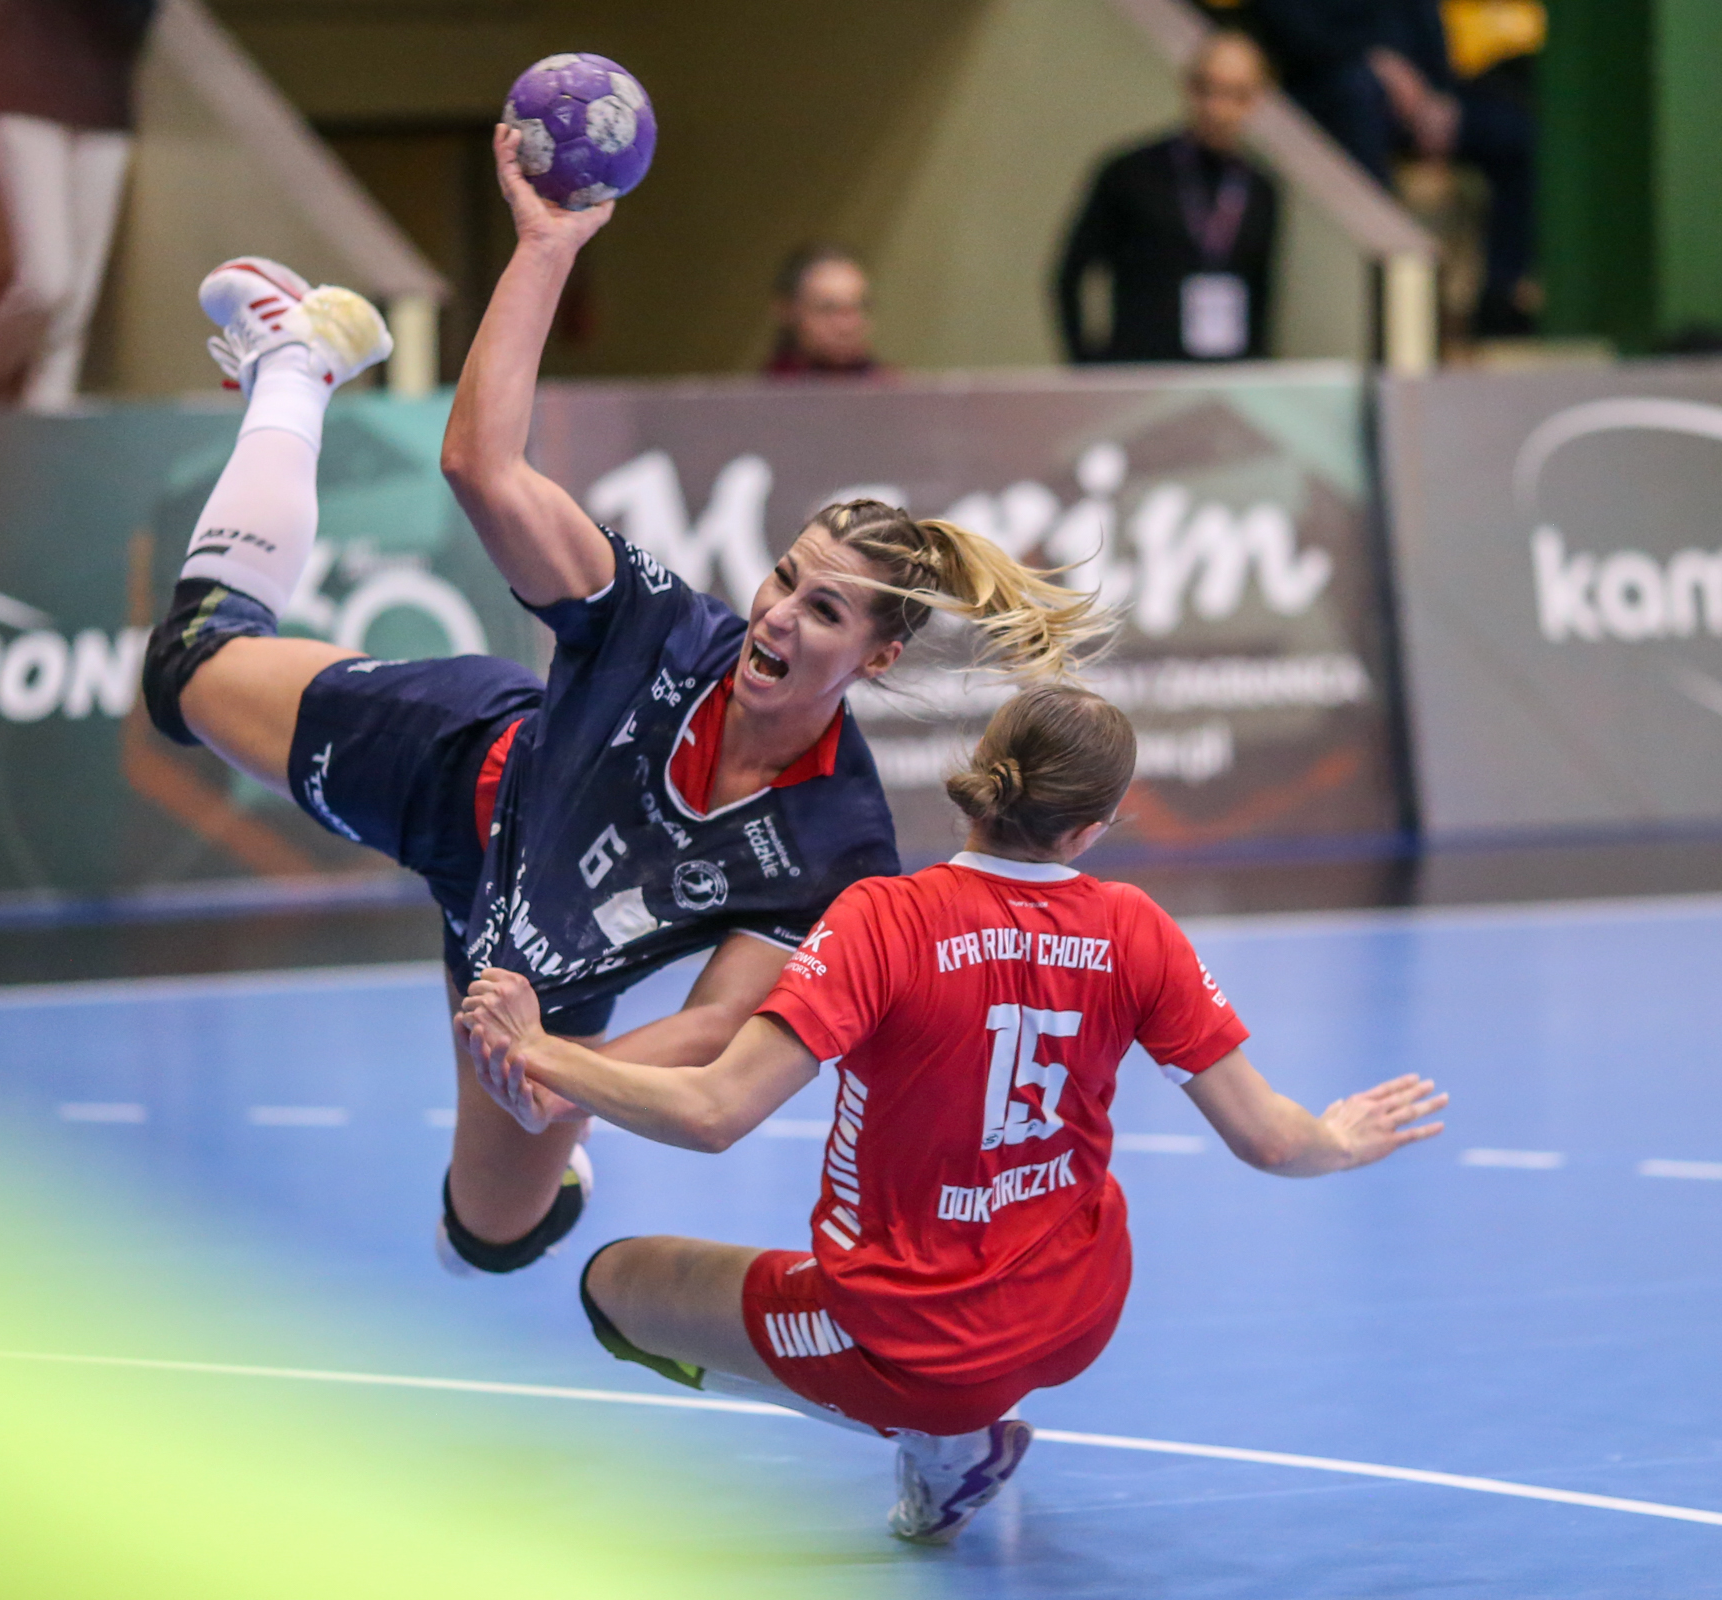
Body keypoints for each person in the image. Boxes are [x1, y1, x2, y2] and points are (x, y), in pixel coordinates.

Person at [137, 126, 1109, 1278]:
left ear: (878, 658)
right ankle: (297, 363)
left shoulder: (837, 844)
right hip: (456, 772)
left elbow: (715, 1027)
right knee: (186, 665)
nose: (779, 616)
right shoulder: (660, 629)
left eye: (826, 611)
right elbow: (482, 468)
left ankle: (546, 1173)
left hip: (539, 977)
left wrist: (562, 1075)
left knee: (487, 1239)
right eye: (784, 578)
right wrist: (547, 246)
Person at [458, 686, 1449, 1543]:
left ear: (979, 775)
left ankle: (945, 1442)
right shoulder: (1135, 928)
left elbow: (714, 1111)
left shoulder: (884, 919)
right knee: (909, 1291)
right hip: (1079, 1308)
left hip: (915, 1341)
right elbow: (1271, 1139)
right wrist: (1340, 1138)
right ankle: (952, 1428)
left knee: (614, 1288)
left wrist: (544, 1051)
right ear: (1092, 829)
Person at [1246, 0, 1538, 335]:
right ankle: (1386, 269)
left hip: (1414, 99)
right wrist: (1373, 62)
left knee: (1516, 132)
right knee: (1359, 91)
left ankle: (1499, 297)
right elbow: (1290, 30)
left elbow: (1429, 27)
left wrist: (1436, 97)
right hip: (1327, 88)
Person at [0, 0, 158, 411]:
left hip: (104, 109)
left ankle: (48, 406)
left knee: (78, 296)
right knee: (47, 281)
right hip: (21, 98)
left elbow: (135, 18)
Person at [1055, 31, 1281, 364]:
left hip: (1223, 371)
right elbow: (1071, 273)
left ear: (1257, 98)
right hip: (1141, 366)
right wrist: (1086, 366)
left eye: (1236, 94)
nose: (1217, 108)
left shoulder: (1261, 189)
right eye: (1207, 88)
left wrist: (1255, 368)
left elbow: (1261, 293)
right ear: (1188, 86)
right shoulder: (1131, 172)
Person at [765, 244, 880, 376]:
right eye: (827, 309)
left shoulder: (886, 384)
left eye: (859, 307)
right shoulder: (764, 386)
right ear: (787, 310)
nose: (847, 326)